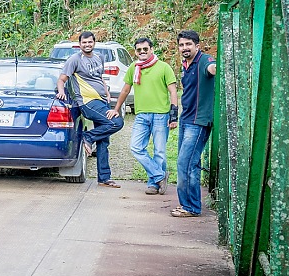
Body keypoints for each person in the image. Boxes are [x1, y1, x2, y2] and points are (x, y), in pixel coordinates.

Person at [56, 31, 124, 188]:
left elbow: (99, 78)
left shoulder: (99, 57)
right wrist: (61, 91)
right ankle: (87, 136)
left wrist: (106, 93)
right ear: (80, 44)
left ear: (94, 43)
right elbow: (62, 79)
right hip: (87, 102)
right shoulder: (74, 60)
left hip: (101, 101)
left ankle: (104, 178)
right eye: (84, 42)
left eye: (90, 42)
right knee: (117, 123)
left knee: (104, 141)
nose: (87, 45)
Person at [113, 38, 178, 195]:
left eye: (145, 49)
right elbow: (125, 90)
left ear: (151, 49)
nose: (142, 52)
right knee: (136, 147)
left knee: (160, 151)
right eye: (139, 50)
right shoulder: (134, 68)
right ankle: (160, 176)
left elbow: (173, 92)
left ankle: (154, 184)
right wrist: (116, 108)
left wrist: (174, 115)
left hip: (161, 115)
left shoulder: (164, 67)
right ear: (135, 51)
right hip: (141, 115)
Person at [172, 30, 216, 217]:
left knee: (185, 164)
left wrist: (217, 66)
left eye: (188, 44)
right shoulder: (186, 64)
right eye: (182, 45)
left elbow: (213, 68)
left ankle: (191, 207)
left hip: (198, 121)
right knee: (189, 163)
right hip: (186, 119)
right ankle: (187, 204)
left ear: (197, 45)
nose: (185, 48)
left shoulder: (204, 60)